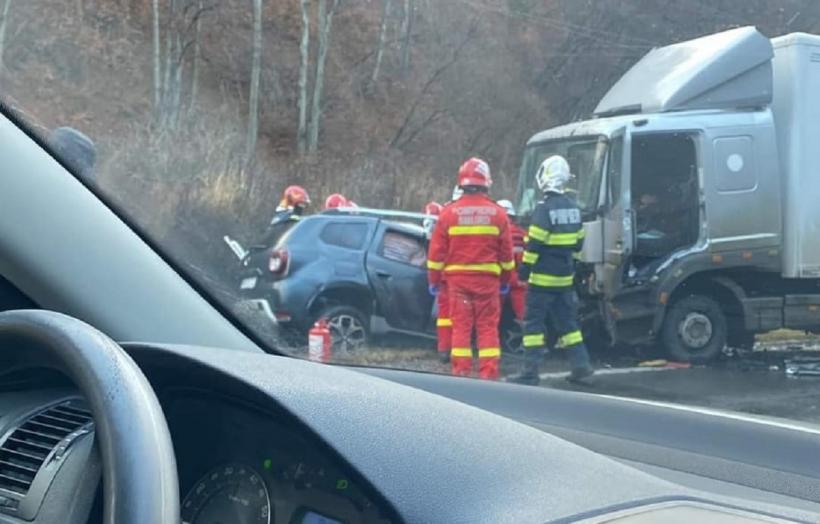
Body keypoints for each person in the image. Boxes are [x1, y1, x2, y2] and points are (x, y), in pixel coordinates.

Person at [509, 155, 594, 385]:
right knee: (569, 325)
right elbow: (578, 245)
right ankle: (581, 366)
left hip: (542, 282)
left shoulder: (544, 210)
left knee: (533, 325)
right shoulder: (575, 209)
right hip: (564, 280)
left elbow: (534, 244)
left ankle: (530, 372)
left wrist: (524, 270)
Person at [427, 158, 514, 379]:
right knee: (487, 329)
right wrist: (506, 280)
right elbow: (506, 256)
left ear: (461, 183)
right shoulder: (498, 214)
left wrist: (434, 281)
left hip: (457, 283)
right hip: (488, 282)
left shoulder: (448, 214)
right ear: (486, 182)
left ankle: (461, 374)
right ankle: (488, 375)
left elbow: (435, 255)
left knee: (461, 329)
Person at [422, 201, 450, 362]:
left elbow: (434, 260)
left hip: (445, 281)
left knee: (446, 317)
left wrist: (433, 281)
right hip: (451, 280)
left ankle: (444, 350)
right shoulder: (447, 230)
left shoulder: (441, 233)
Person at [497, 199, 527, 322]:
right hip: (519, 277)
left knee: (491, 314)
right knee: (523, 313)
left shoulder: (495, 232)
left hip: (500, 277)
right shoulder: (522, 232)